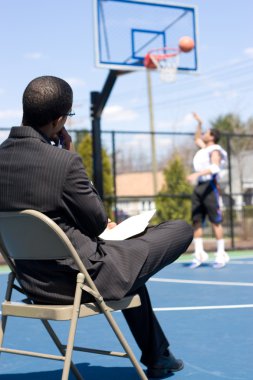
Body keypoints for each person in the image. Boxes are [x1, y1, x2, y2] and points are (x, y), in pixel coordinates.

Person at [0, 76, 193, 379]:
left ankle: (159, 356)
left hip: (31, 282)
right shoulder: (62, 162)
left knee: (132, 268)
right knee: (179, 228)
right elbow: (96, 223)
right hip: (82, 281)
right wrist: (68, 155)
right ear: (60, 120)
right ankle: (158, 357)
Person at [187, 112, 229, 269]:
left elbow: (215, 167)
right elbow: (196, 138)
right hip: (199, 188)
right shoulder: (204, 148)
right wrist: (199, 123)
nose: (203, 134)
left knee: (215, 222)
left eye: (206, 132)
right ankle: (199, 254)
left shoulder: (215, 150)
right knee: (196, 221)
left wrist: (197, 174)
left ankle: (221, 254)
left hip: (210, 186)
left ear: (212, 137)